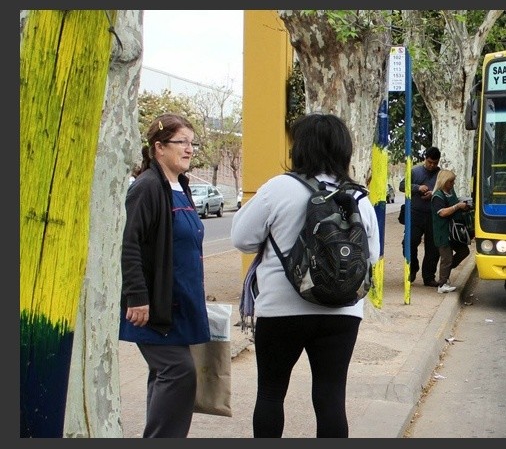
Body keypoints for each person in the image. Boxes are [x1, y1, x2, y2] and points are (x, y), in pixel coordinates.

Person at [230, 113, 380, 438]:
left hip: (281, 310)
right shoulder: (357, 196)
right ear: (344, 150)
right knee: (330, 397)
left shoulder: (278, 188)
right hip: (342, 311)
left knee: (271, 393)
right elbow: (374, 255)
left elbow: (241, 239)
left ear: (301, 148)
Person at [120, 113, 210, 438]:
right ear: (159, 148)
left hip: (182, 304)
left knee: (163, 376)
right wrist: (137, 296)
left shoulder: (181, 186)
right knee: (178, 371)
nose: (189, 149)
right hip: (156, 308)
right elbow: (128, 244)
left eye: (191, 143)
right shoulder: (146, 188)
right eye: (181, 142)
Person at [399, 147, 441, 286]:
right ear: (425, 159)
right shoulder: (415, 172)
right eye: (430, 162)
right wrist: (417, 188)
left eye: (435, 163)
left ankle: (429, 277)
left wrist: (433, 194)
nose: (432, 165)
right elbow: (402, 186)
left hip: (433, 216)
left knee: (433, 249)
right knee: (408, 243)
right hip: (415, 215)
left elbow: (447, 191)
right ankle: (412, 267)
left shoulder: (441, 175)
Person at [430, 169, 471, 294]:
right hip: (443, 232)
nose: (453, 184)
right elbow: (442, 212)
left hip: (454, 231)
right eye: (451, 181)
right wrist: (457, 206)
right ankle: (442, 284)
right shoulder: (437, 196)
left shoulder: (450, 192)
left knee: (464, 251)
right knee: (446, 258)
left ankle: (446, 272)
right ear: (444, 181)